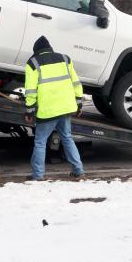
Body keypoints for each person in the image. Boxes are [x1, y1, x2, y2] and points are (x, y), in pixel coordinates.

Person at [24, 36, 85, 181]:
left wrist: (29, 109)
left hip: (48, 110)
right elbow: (76, 82)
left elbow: (31, 90)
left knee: (40, 142)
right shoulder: (65, 59)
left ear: (36, 51)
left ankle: (38, 176)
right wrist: (78, 102)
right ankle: (78, 171)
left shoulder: (33, 63)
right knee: (67, 138)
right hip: (66, 107)